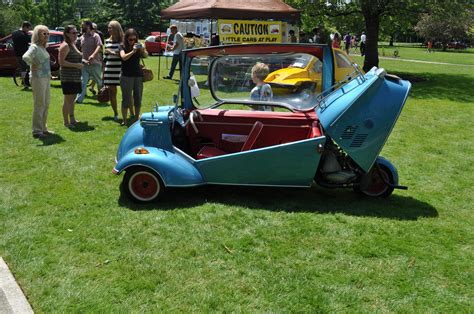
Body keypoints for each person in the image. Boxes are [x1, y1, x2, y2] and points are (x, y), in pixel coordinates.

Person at [23, 25, 53, 138]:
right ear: (37, 35)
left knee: (46, 103)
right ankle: (37, 130)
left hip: (46, 78)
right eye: (44, 34)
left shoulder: (43, 47)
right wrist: (33, 64)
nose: (46, 36)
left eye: (47, 33)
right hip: (38, 78)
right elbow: (25, 57)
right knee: (39, 104)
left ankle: (43, 128)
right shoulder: (34, 47)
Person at [120, 28, 147, 126]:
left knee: (138, 97)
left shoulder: (138, 46)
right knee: (126, 98)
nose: (133, 41)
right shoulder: (122, 46)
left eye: (134, 40)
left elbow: (146, 56)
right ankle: (124, 120)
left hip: (138, 76)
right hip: (126, 76)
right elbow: (123, 57)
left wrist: (142, 50)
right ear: (126, 38)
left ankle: (136, 118)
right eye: (130, 39)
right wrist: (133, 51)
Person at [59, 25, 83, 128]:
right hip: (67, 77)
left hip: (75, 76)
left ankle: (72, 118)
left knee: (72, 99)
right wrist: (76, 65)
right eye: (73, 33)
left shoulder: (72, 44)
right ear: (67, 34)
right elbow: (61, 62)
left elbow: (75, 57)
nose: (75, 35)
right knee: (67, 100)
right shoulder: (65, 45)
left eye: (76, 32)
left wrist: (84, 61)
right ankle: (66, 122)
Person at [75, 20, 103, 103]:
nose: (81, 27)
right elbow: (78, 48)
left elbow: (99, 46)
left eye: (83, 25)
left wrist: (93, 55)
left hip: (95, 63)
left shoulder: (96, 36)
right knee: (83, 81)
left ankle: (102, 97)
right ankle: (79, 100)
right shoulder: (81, 37)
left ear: (88, 26)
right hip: (84, 64)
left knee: (99, 82)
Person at [103, 20, 124, 122]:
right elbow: (105, 58)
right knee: (112, 93)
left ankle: (130, 112)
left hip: (120, 70)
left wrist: (111, 52)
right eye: (108, 28)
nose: (109, 30)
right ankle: (115, 113)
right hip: (109, 70)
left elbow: (123, 56)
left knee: (126, 92)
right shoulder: (107, 41)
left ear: (116, 28)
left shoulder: (123, 41)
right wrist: (103, 72)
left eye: (111, 27)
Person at [12, 21, 32, 88]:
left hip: (17, 54)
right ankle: (25, 83)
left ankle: (24, 82)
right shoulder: (24, 35)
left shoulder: (14, 33)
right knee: (25, 69)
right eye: (28, 28)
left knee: (23, 68)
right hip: (24, 55)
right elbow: (30, 42)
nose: (28, 30)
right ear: (25, 27)